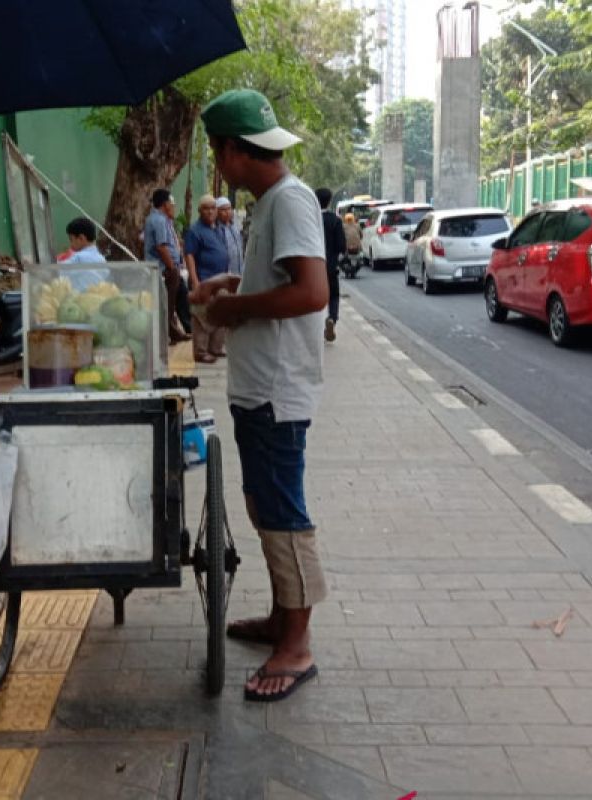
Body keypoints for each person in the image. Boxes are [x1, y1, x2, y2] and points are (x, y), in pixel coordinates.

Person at [193, 89, 329, 702]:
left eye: (216, 153)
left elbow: (310, 293)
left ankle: (296, 645)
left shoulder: (290, 201)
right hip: (258, 391)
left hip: (277, 391)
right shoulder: (267, 205)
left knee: (282, 513)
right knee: (262, 506)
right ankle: (282, 617)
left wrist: (233, 307)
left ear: (231, 151)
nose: (218, 166)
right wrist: (233, 283)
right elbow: (277, 280)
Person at [184, 194, 230, 363]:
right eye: (206, 208)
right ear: (199, 211)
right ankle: (201, 352)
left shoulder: (217, 229)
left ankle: (216, 348)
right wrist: (195, 282)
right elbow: (189, 256)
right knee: (201, 316)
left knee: (220, 313)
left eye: (213, 208)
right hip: (204, 280)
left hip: (220, 281)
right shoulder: (195, 231)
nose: (210, 211)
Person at [142, 189, 190, 343]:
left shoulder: (163, 220)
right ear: (165, 204)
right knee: (166, 305)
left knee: (181, 295)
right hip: (164, 269)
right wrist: (171, 267)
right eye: (172, 204)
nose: (174, 207)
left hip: (170, 268)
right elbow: (161, 247)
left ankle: (178, 330)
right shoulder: (158, 220)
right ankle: (164, 336)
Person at [316, 188, 346, 343]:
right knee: (333, 295)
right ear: (330, 201)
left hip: (313, 266)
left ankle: (316, 325)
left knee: (314, 296)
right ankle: (332, 319)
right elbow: (342, 246)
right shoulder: (335, 220)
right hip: (331, 265)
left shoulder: (311, 219)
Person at [61, 217, 110, 291]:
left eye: (71, 239)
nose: (70, 244)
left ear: (81, 238)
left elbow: (57, 271)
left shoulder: (79, 258)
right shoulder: (102, 259)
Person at [216, 196, 244, 276]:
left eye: (229, 209)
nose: (227, 212)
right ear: (217, 211)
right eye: (223, 210)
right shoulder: (216, 229)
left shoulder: (235, 227)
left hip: (239, 271)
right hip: (225, 273)